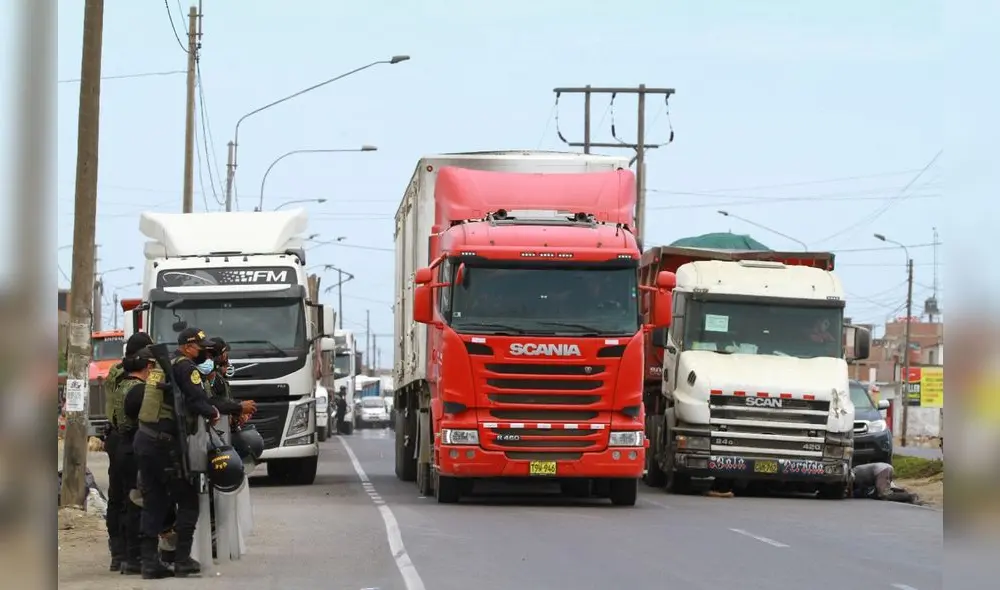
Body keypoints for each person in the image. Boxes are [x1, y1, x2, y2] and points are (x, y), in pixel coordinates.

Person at [134, 327, 220, 579]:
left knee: (154, 500)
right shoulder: (185, 367)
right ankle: (182, 559)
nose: (204, 353)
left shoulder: (164, 365)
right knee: (188, 499)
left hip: (145, 438)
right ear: (188, 347)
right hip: (164, 444)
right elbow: (197, 399)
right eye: (201, 348)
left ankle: (149, 562)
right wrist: (213, 412)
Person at [104, 332, 152, 573]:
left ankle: (118, 553)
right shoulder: (134, 376)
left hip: (114, 436)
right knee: (132, 495)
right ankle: (130, 552)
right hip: (129, 435)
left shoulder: (115, 371)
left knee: (117, 497)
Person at [115, 342, 157, 575]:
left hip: (122, 446)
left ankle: (126, 556)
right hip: (134, 446)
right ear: (147, 366)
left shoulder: (122, 384)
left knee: (127, 503)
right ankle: (135, 557)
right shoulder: (140, 391)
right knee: (138, 504)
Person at [851, 462, 918, 503]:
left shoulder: (852, 474)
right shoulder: (857, 471)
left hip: (881, 470)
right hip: (885, 468)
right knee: (881, 492)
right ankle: (903, 493)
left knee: (884, 495)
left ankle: (910, 497)